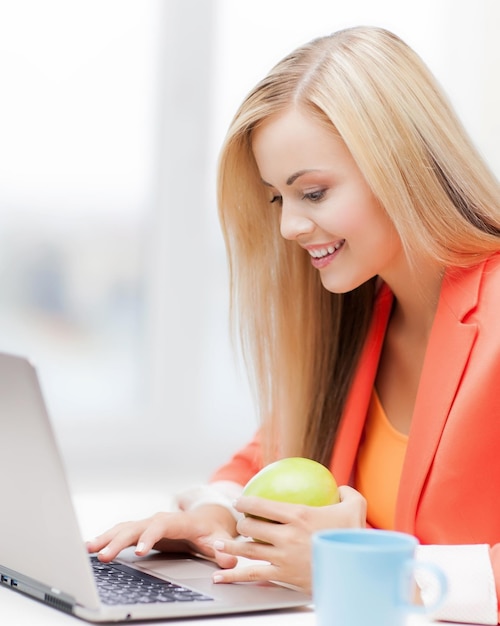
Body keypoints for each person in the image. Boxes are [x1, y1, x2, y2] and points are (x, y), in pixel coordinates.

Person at [87, 26, 500, 624]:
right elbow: (257, 462)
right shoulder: (363, 316)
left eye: (313, 192)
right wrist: (214, 517)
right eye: (279, 199)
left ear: (404, 166)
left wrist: (370, 569)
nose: (288, 229)